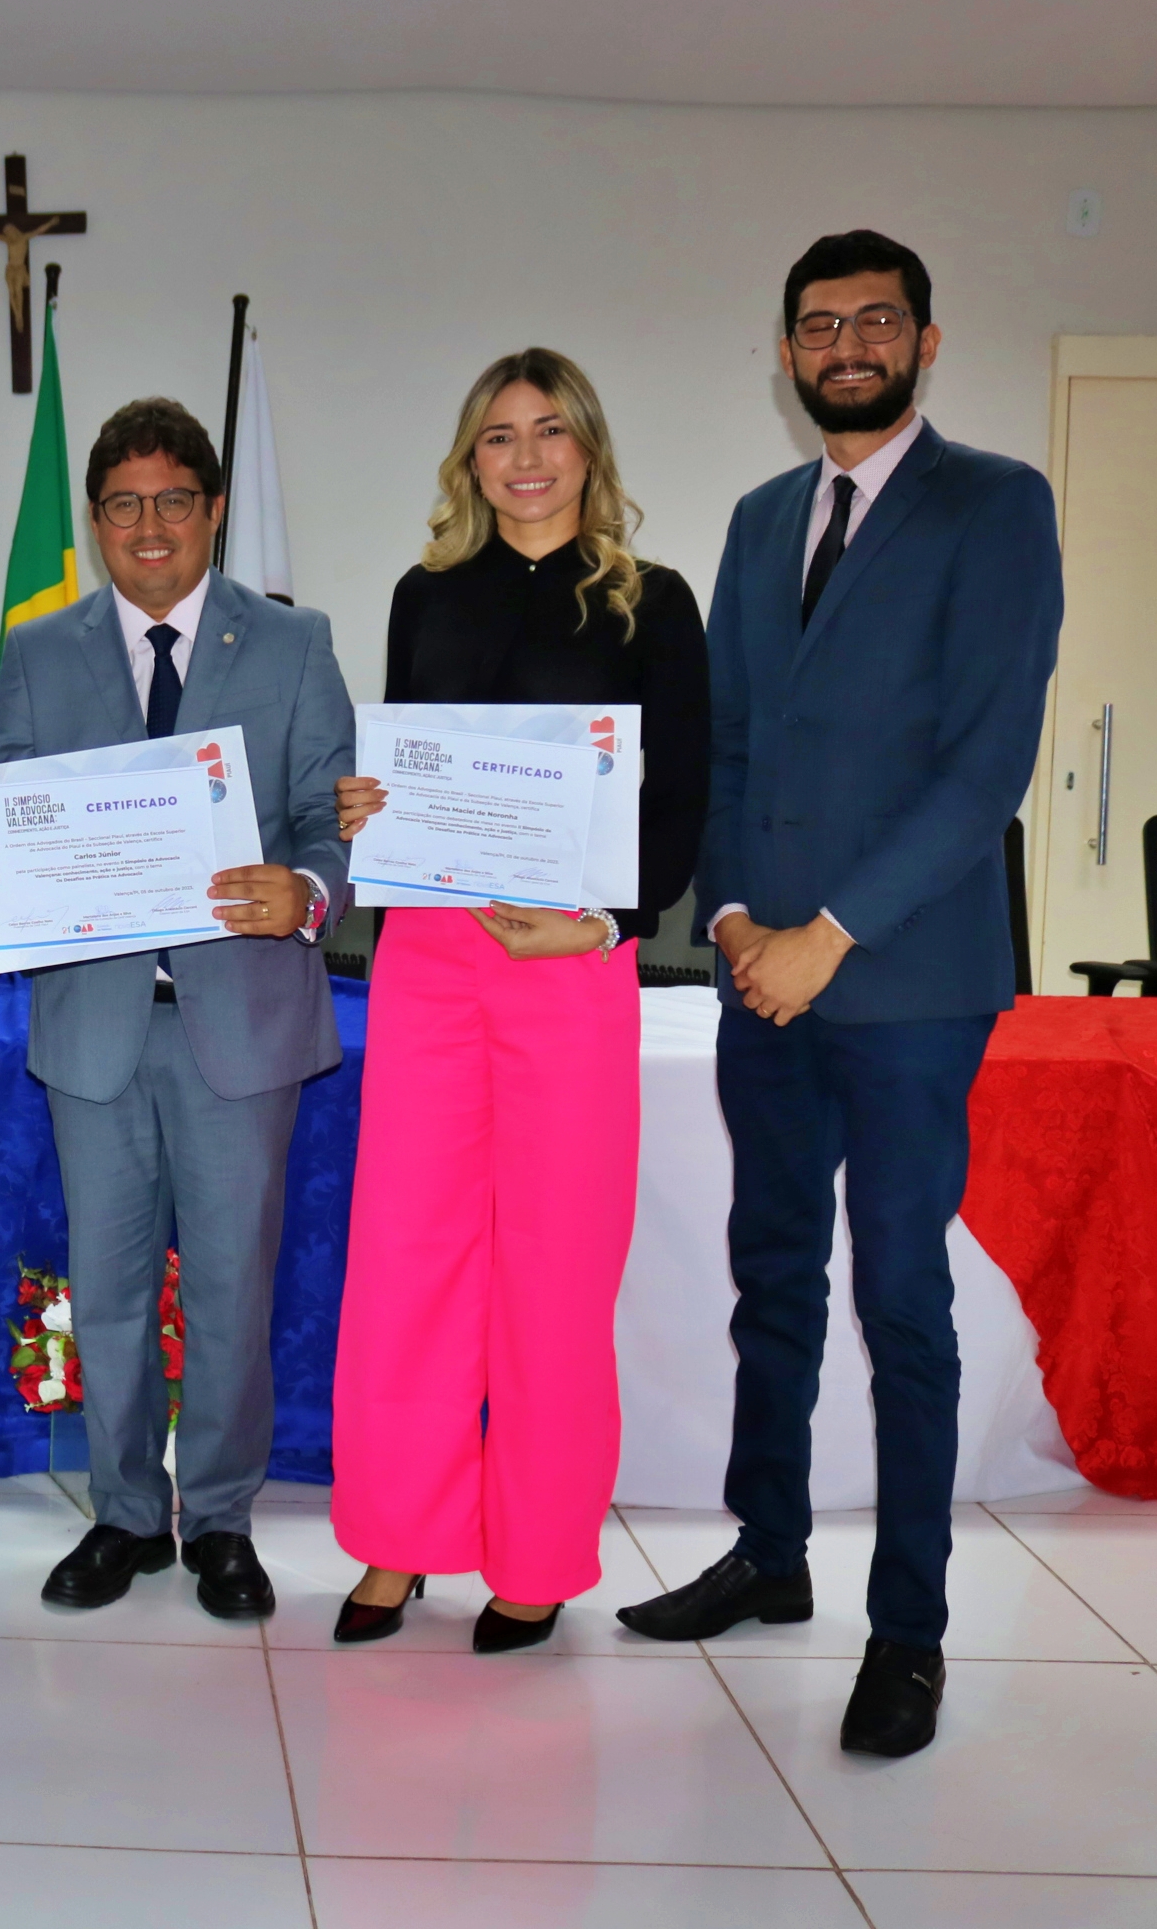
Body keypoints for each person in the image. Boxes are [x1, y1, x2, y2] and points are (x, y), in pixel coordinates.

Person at [615, 232, 1063, 1759]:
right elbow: (731, 743)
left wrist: (834, 935)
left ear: (925, 343)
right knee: (775, 1278)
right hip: (763, 979)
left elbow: (985, 765)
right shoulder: (760, 521)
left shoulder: (997, 505)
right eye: (820, 325)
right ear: (787, 351)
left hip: (911, 983)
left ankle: (910, 1630)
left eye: (877, 321)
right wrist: (740, 917)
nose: (847, 345)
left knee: (902, 1302)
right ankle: (770, 1550)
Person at [0, 398, 353, 1622]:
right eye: (123, 504)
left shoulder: (293, 641)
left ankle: (220, 1518)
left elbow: (332, 823)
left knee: (231, 1289)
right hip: (95, 1024)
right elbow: (2, 814)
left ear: (213, 509)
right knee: (106, 1291)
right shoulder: (39, 650)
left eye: (174, 499)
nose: (150, 525)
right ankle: (125, 1513)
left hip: (242, 1023)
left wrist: (307, 891)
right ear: (96, 520)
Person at [326, 350, 708, 1652]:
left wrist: (605, 922)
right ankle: (397, 1539)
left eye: (551, 431)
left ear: (588, 448)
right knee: (407, 1258)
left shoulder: (655, 602)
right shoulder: (424, 595)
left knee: (555, 1268)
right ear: (469, 461)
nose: (527, 457)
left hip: (571, 960)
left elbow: (683, 800)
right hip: (430, 961)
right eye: (499, 436)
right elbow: (407, 772)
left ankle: (535, 1557)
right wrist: (367, 805)